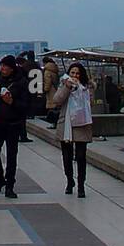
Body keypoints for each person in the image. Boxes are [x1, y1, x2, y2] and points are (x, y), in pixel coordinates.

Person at [0, 55, 30, 199]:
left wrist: (12, 102)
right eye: (2, 65)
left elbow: (25, 106)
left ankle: (10, 185)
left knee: (11, 156)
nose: (3, 68)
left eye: (6, 66)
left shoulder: (21, 82)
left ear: (12, 68)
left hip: (13, 124)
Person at [52, 63, 93, 197]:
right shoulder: (64, 84)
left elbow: (90, 101)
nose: (75, 76)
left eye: (78, 73)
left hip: (82, 124)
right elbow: (57, 100)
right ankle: (70, 180)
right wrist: (67, 87)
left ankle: (81, 185)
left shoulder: (85, 88)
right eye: (72, 73)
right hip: (67, 125)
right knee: (67, 156)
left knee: (81, 156)